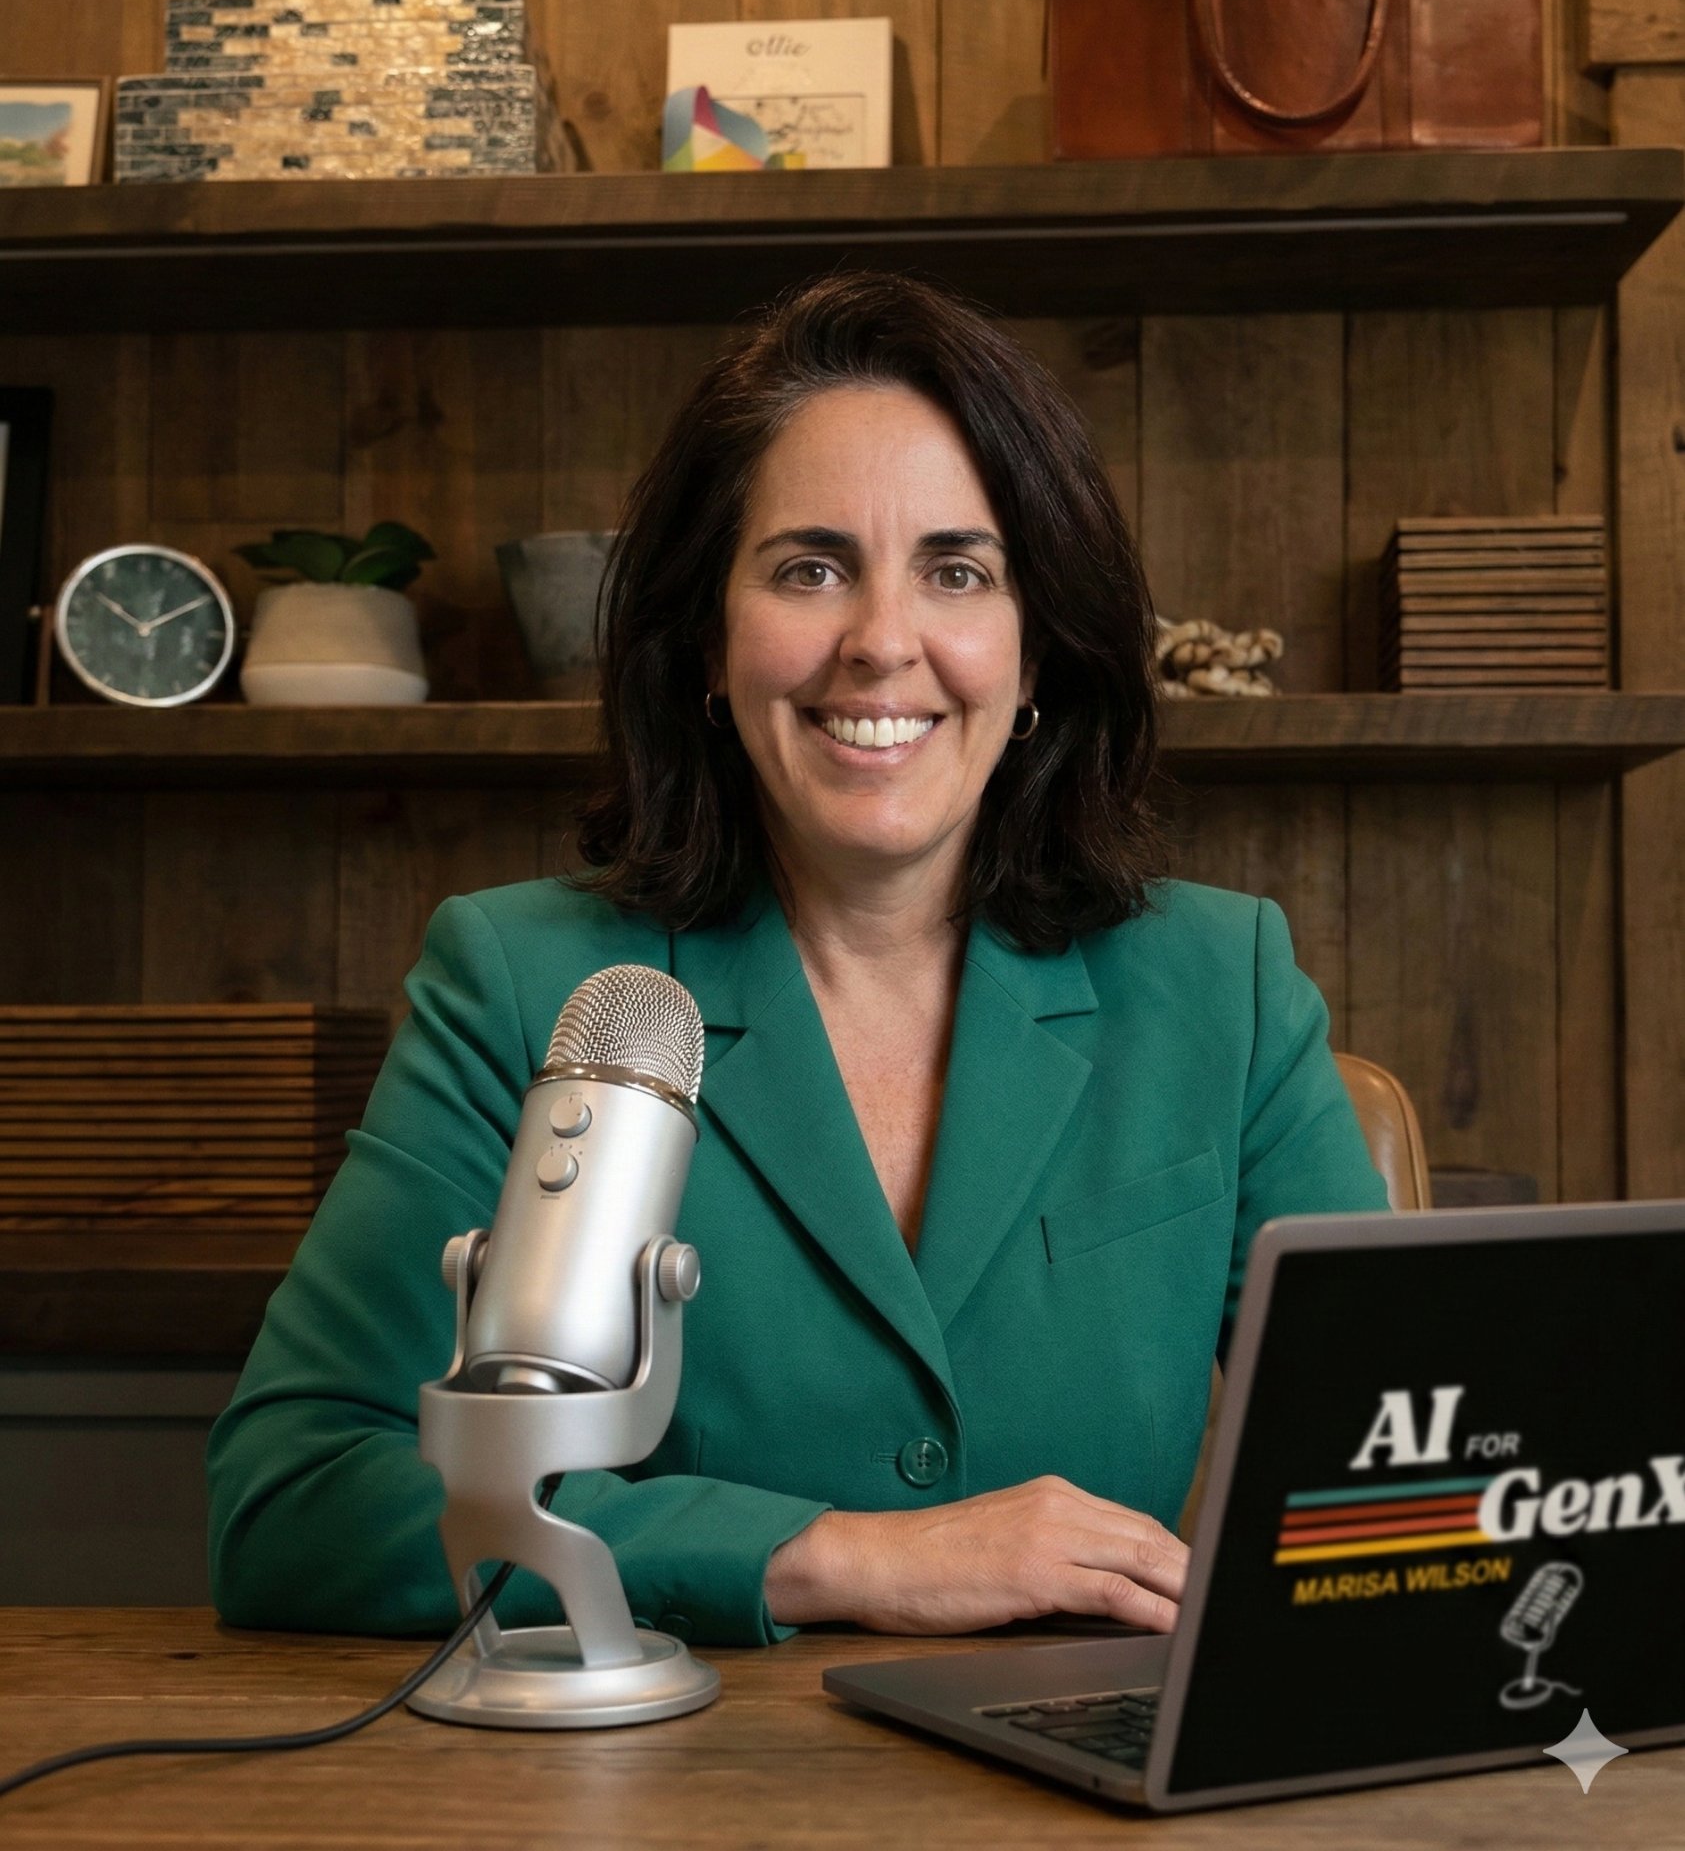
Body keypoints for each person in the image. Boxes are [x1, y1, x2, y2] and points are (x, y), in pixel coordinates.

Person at [207, 269, 1390, 1648]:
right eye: (808, 567)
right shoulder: (523, 984)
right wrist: (830, 1560)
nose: (882, 643)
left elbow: (1406, 1472)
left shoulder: (1222, 987)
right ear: (707, 643)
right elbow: (292, 1502)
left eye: (957, 570)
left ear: (1037, 653)